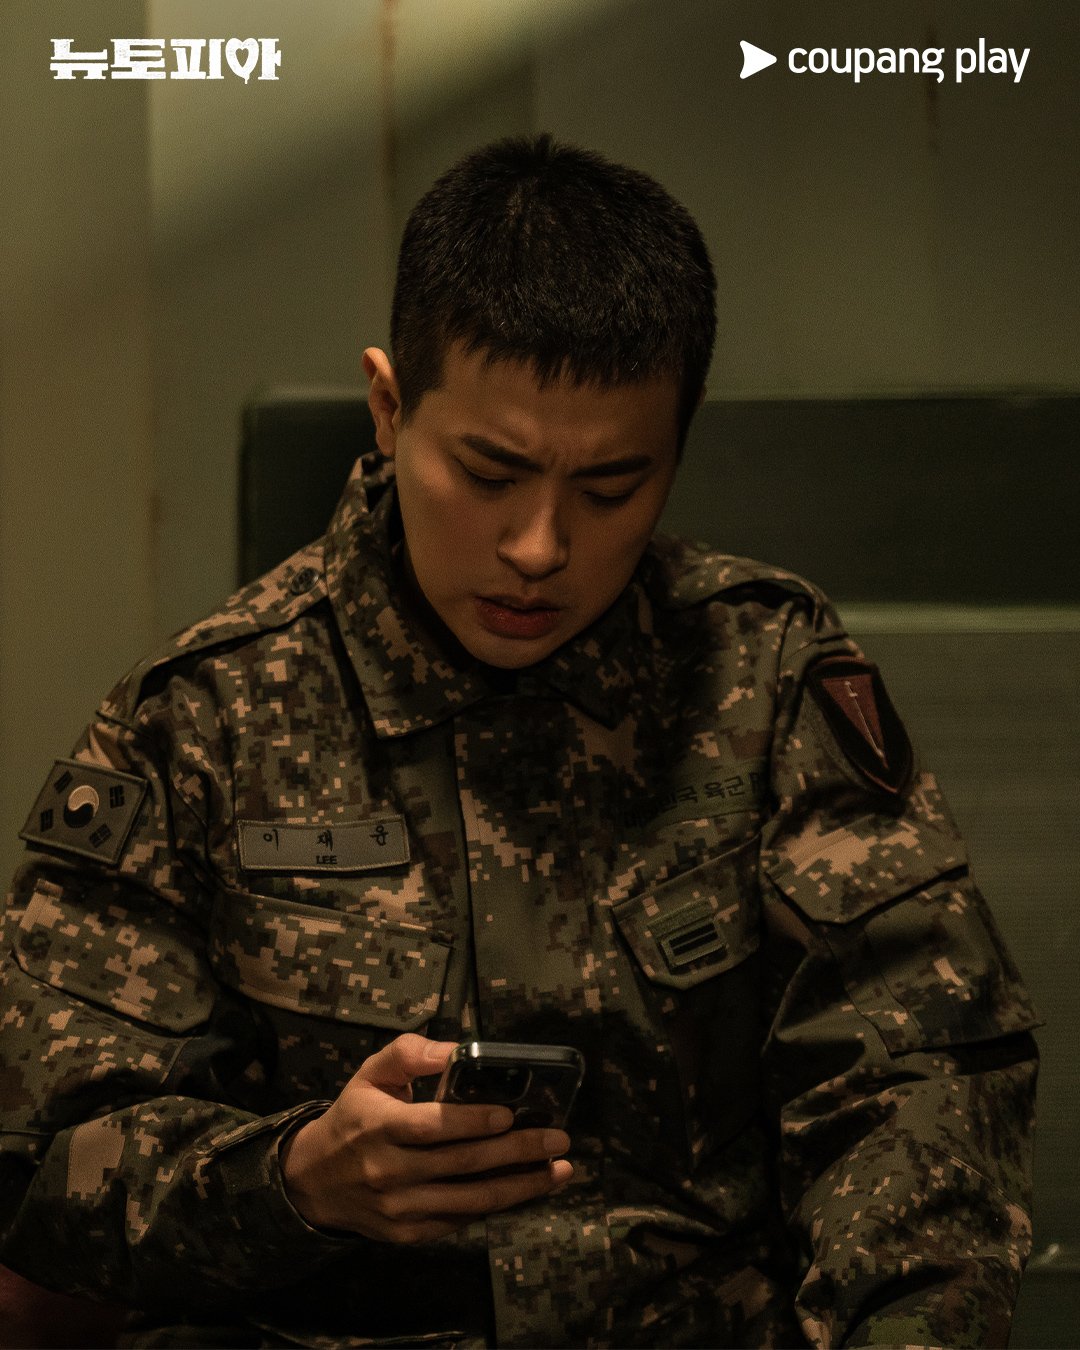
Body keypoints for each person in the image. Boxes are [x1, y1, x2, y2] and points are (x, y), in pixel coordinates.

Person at [0, 135, 1039, 1349]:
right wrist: (296, 1181)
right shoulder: (205, 718)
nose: (539, 548)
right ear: (390, 409)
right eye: (489, 473)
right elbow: (42, 1160)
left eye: (610, 489)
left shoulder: (762, 677)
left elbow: (919, 1083)